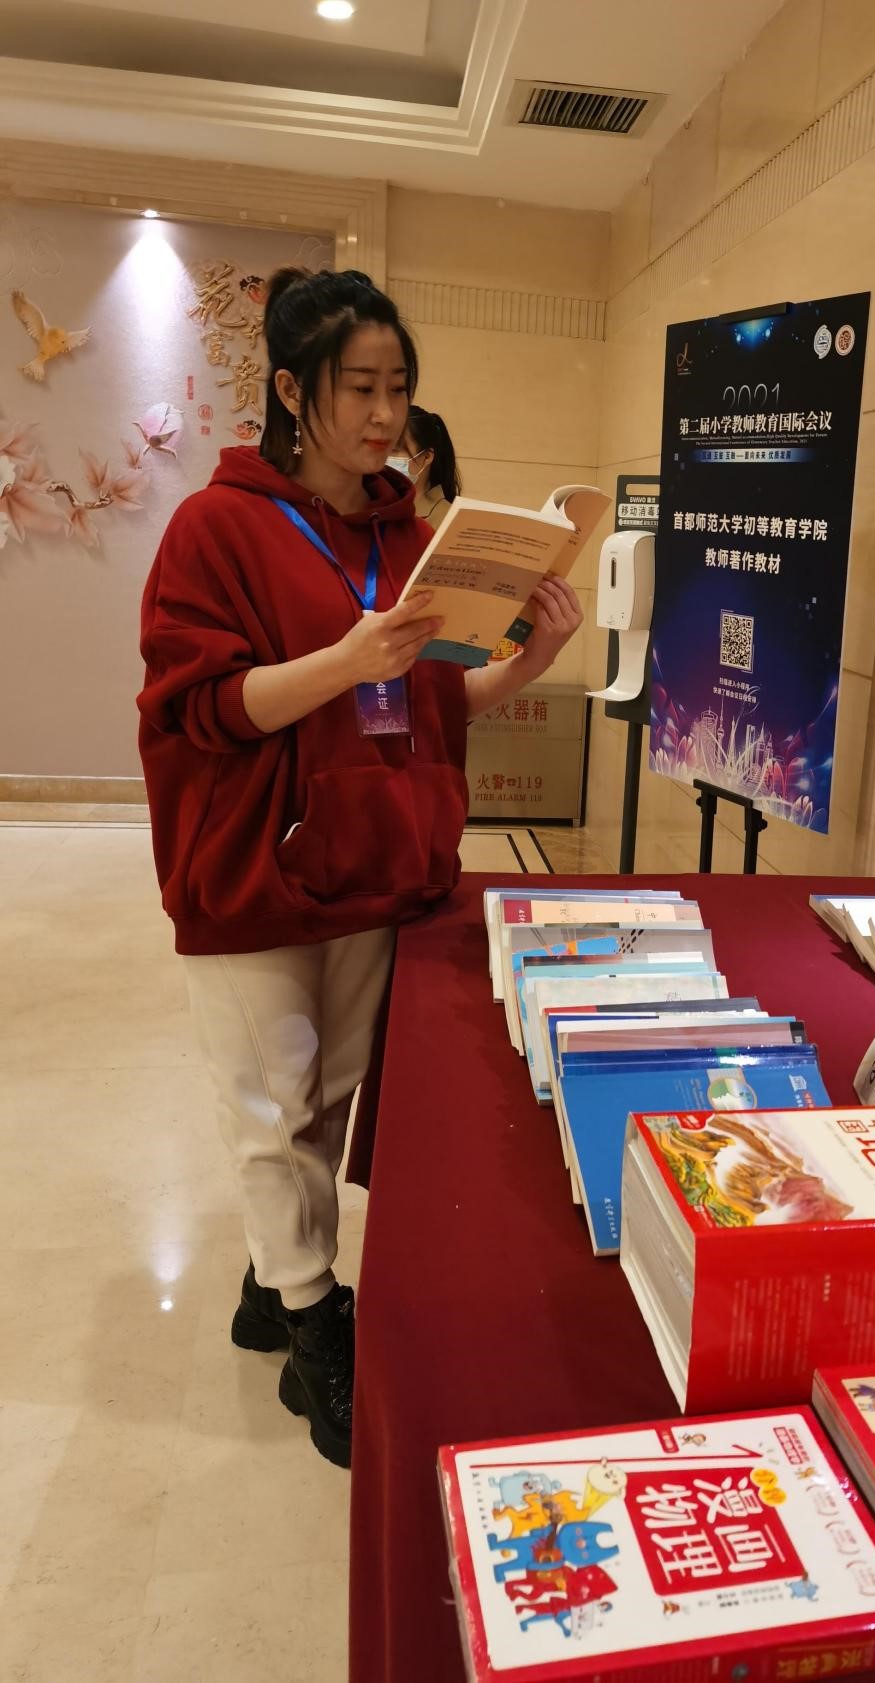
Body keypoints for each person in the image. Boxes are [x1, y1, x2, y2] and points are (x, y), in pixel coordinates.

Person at [137, 267, 582, 1467]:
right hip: (259, 870)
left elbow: (429, 707)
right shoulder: (215, 529)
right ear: (293, 391)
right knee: (268, 1108)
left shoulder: (408, 536)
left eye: (399, 388)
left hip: (378, 861)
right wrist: (345, 659)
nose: (385, 416)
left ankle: (268, 1279)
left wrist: (531, 659)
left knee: (328, 1100)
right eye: (360, 388)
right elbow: (201, 709)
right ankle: (310, 1316)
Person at [391, 404, 461, 528]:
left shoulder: (448, 519)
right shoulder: (370, 505)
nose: (384, 456)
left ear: (426, 457)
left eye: (395, 449)